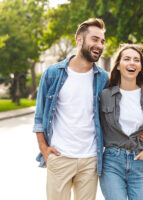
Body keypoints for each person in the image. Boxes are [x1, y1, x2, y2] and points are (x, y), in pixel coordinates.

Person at [32, 18, 109, 200]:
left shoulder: (104, 78)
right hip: (60, 156)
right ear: (79, 39)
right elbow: (40, 115)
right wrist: (44, 148)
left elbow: (114, 115)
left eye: (102, 41)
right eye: (95, 39)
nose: (99, 45)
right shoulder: (52, 73)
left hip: (90, 159)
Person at [99, 44, 143, 200]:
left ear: (140, 67)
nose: (132, 62)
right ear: (118, 65)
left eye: (136, 60)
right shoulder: (105, 95)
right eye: (127, 59)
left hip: (139, 161)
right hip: (112, 163)